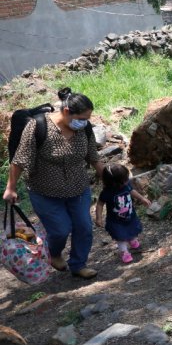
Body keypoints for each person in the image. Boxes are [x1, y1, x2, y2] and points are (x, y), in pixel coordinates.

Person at [3, 87, 104, 278]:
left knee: (84, 227)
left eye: (87, 119)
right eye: (81, 118)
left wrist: (111, 180)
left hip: (78, 188)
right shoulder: (38, 126)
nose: (85, 122)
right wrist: (11, 187)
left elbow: (93, 157)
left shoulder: (84, 129)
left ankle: (78, 265)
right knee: (60, 230)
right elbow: (20, 159)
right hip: (44, 192)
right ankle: (54, 253)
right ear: (66, 112)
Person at [95, 164, 150, 264]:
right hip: (115, 221)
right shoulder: (107, 192)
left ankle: (132, 240)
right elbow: (99, 204)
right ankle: (124, 252)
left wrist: (142, 198)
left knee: (132, 228)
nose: (127, 181)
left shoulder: (125, 185)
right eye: (125, 179)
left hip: (130, 216)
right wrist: (98, 217)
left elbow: (132, 191)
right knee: (120, 236)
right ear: (115, 182)